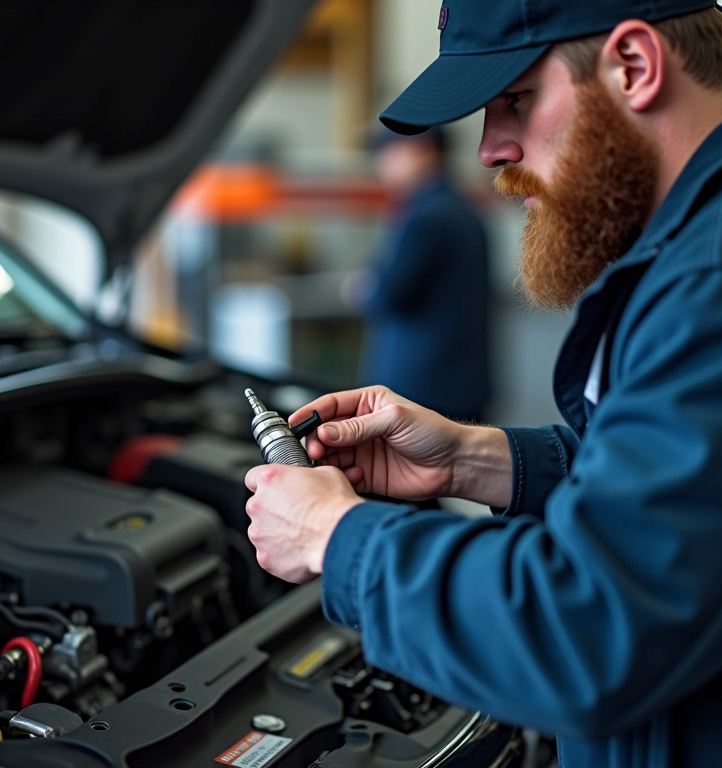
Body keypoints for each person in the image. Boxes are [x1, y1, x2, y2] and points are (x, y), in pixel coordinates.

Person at [244, 1, 722, 766]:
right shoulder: (685, 259)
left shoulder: (705, 287)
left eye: (517, 100)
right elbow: (686, 505)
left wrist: (337, 539)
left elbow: (588, 634)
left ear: (634, 68)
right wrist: (479, 460)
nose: (492, 150)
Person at [357, 126, 490, 422]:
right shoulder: (463, 210)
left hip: (420, 391)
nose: (380, 163)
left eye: (388, 152)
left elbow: (385, 295)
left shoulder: (425, 218)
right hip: (458, 383)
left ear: (423, 150)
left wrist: (362, 288)